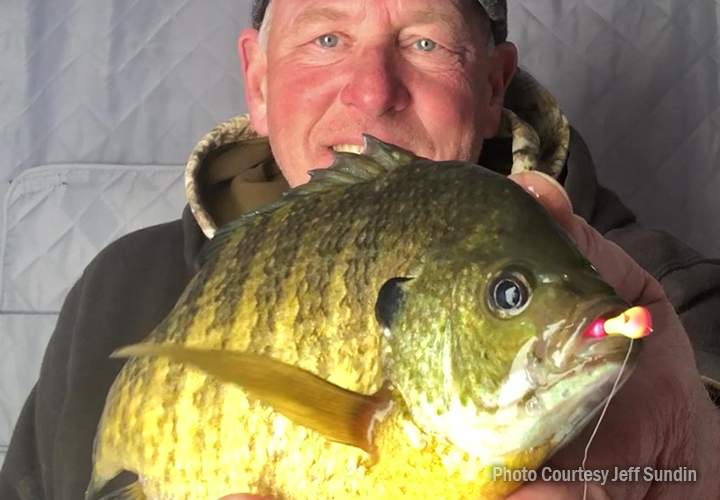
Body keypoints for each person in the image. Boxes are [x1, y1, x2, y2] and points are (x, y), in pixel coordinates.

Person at [1, 0, 719, 499]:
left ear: (493, 83)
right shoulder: (113, 287)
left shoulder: (671, 291)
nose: (373, 94)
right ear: (257, 79)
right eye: (326, 38)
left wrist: (695, 456)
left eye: (424, 42)